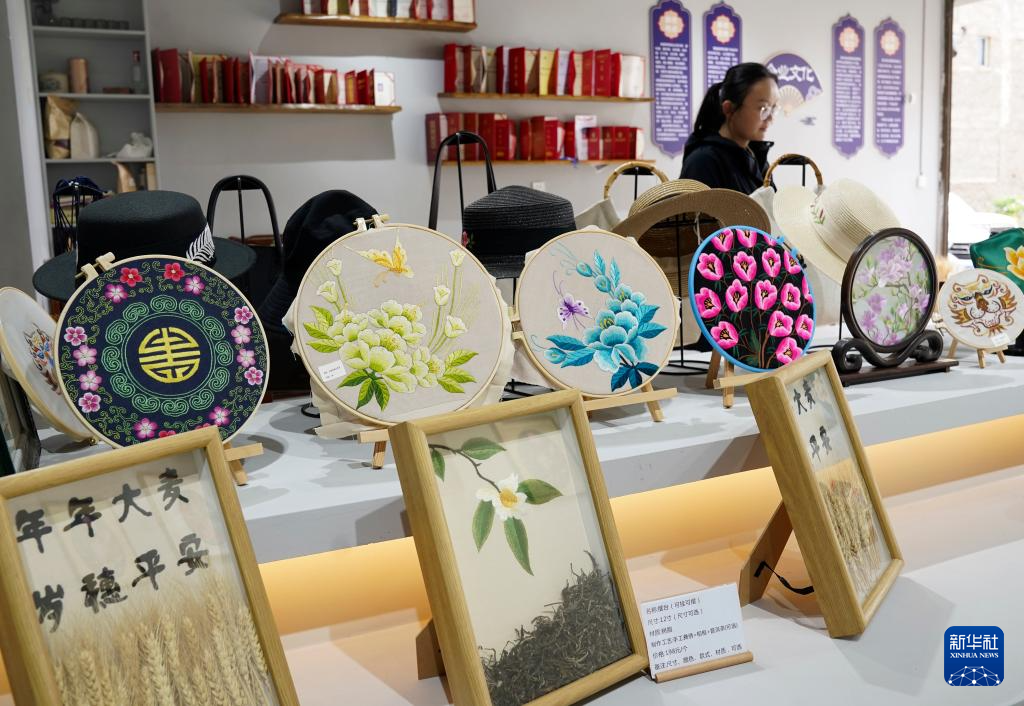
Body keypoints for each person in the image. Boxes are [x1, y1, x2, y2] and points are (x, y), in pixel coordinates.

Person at [680, 62, 780, 194]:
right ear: (729, 109)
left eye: (773, 108)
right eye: (763, 108)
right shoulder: (703, 162)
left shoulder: (756, 157)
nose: (770, 118)